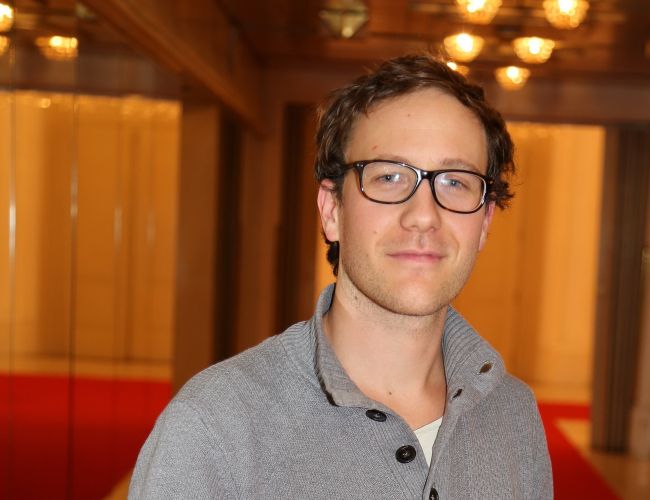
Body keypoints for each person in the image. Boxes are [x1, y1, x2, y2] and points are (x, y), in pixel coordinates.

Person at [129, 54, 552, 499]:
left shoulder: (513, 415)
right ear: (332, 210)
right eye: (389, 177)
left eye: (455, 182)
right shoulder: (215, 428)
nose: (424, 216)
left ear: (484, 223)